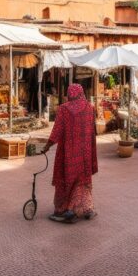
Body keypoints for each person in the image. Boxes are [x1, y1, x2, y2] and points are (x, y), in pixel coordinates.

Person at [42, 84, 98, 224]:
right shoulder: (90, 108)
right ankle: (87, 209)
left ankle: (68, 210)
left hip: (68, 153)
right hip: (85, 153)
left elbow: (57, 132)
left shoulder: (64, 109)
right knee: (82, 181)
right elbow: (92, 132)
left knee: (67, 179)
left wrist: (46, 147)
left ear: (69, 94)